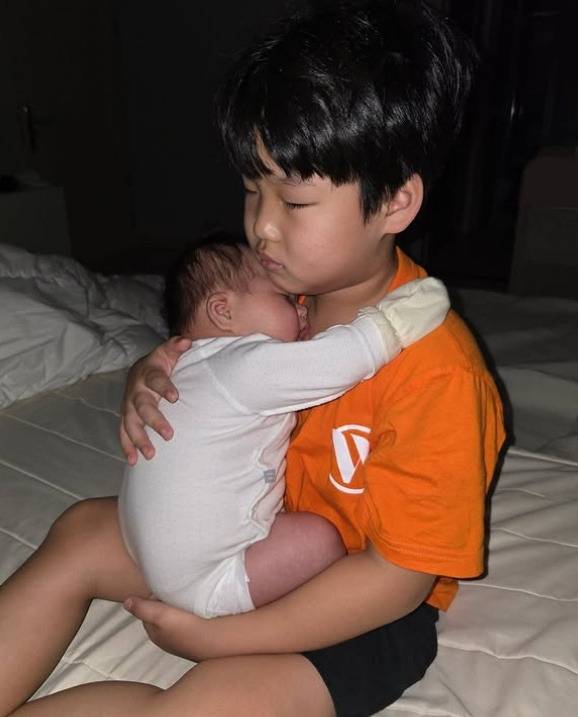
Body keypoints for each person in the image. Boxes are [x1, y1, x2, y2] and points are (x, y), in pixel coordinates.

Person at [0, 2, 506, 716]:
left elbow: (400, 577)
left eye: (293, 201)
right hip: (249, 535)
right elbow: (211, 363)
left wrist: (226, 637)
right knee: (82, 531)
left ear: (395, 203)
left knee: (205, 702)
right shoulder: (280, 298)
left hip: (360, 605)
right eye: (250, 189)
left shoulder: (439, 372)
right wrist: (151, 374)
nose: (261, 226)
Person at [119, 232, 449, 619]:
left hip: (145, 550)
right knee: (318, 538)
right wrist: (395, 321)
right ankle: (237, 631)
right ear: (223, 312)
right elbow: (338, 360)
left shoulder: (185, 369)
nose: (303, 311)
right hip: (210, 579)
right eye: (286, 300)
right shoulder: (243, 364)